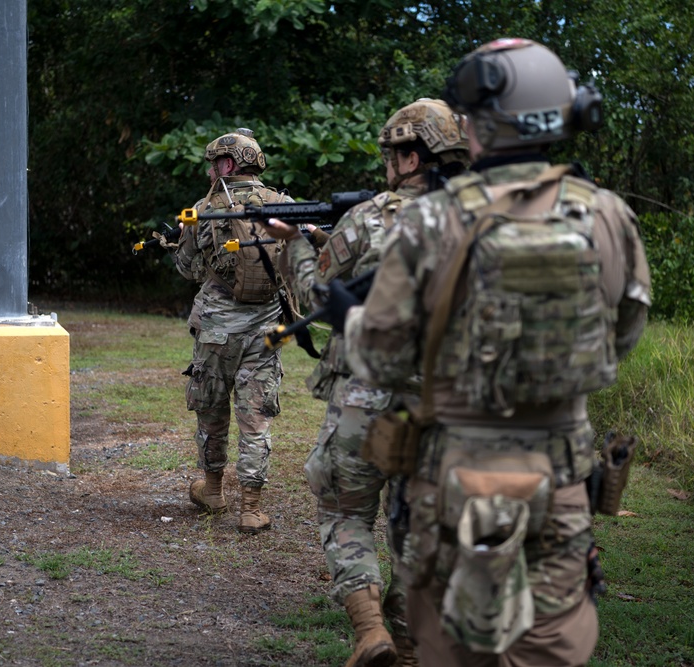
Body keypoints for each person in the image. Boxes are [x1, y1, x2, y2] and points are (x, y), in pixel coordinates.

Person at [328, 38, 652, 666]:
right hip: (558, 476)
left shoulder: (431, 221)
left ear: (477, 126)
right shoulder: (608, 216)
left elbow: (384, 358)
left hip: (452, 479)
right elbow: (625, 335)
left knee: (450, 646)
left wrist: (352, 318)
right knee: (548, 647)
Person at [264, 99, 470, 667]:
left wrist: (297, 244)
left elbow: (318, 302)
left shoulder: (371, 219)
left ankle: (370, 630)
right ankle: (407, 641)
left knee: (346, 511)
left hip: (366, 399)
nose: (385, 165)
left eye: (390, 154)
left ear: (410, 156)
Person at [169, 128, 291, 534]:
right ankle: (252, 508)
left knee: (213, 408)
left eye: (212, 164)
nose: (209, 172)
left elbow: (187, 270)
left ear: (226, 165)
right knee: (255, 416)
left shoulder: (206, 208)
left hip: (218, 326)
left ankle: (214, 490)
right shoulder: (284, 205)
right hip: (267, 325)